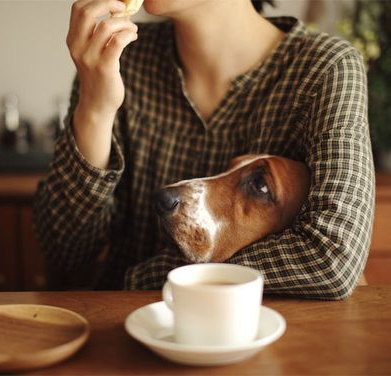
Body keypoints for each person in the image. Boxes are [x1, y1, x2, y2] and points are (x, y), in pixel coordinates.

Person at [34, 0, 375, 299]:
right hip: (121, 335)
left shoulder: (325, 68)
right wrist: (95, 108)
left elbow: (332, 258)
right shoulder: (115, 59)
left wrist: (147, 281)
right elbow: (66, 254)